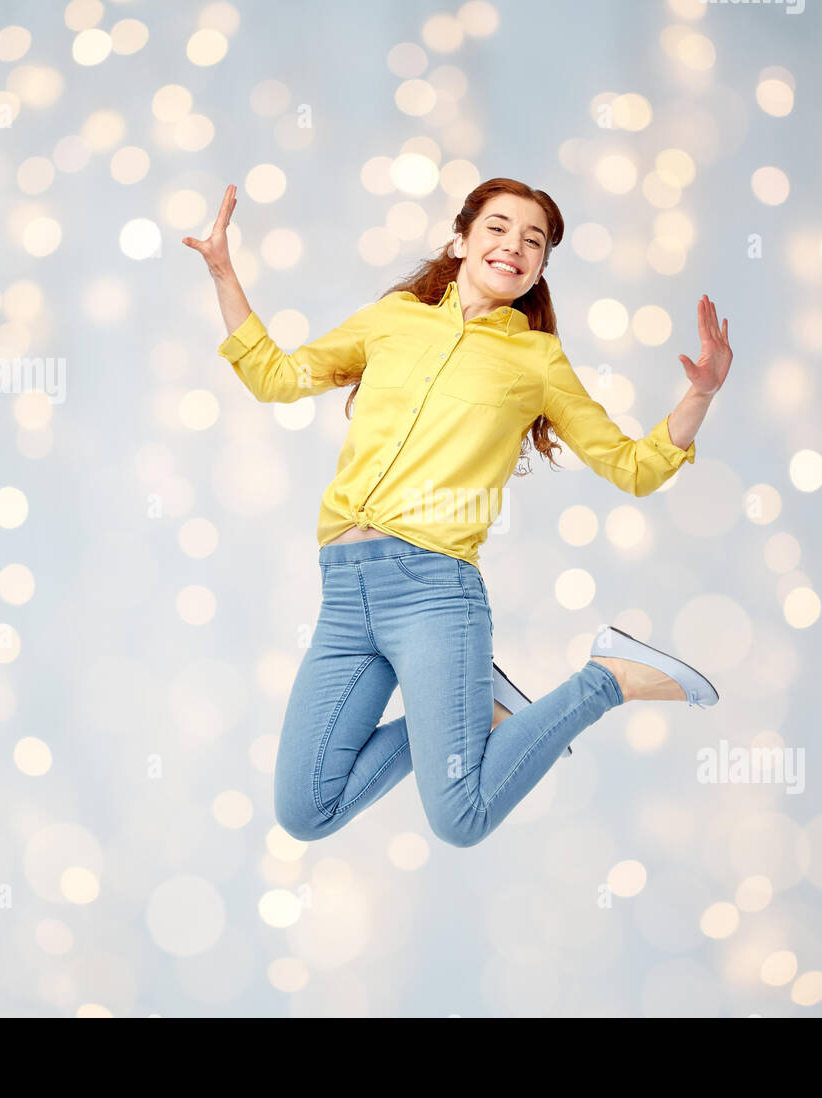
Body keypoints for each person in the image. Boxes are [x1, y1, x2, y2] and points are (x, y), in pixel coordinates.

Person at [183, 177, 733, 848]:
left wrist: (699, 395)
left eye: (534, 242)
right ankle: (484, 705)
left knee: (460, 817)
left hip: (433, 594)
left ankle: (606, 679)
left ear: (538, 271)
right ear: (463, 238)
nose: (514, 246)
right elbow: (276, 376)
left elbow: (632, 466)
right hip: (344, 592)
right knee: (305, 809)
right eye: (499, 228)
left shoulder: (537, 360)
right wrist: (222, 269)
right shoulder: (391, 321)